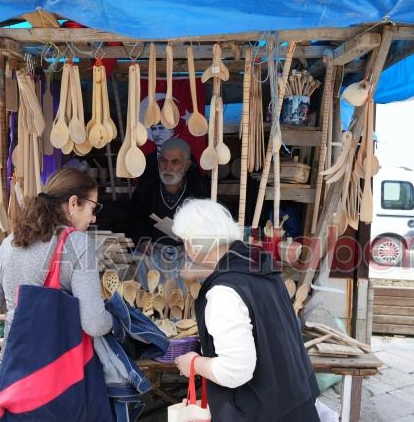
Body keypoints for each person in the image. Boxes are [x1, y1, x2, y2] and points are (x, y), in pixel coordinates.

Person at [171, 199, 321, 422]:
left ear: (192, 244)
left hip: (263, 413)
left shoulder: (223, 293)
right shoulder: (258, 263)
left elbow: (235, 371)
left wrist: (193, 363)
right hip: (294, 402)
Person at [0, 168, 112, 399]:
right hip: (63, 384)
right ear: (73, 203)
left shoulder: (7, 246)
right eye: (93, 207)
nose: (94, 217)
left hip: (14, 380)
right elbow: (95, 324)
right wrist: (115, 320)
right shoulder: (78, 244)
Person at [127, 138, 208, 248]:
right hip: (154, 250)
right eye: (163, 161)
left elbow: (208, 225)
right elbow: (134, 219)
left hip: (188, 252)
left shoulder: (199, 190)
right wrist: (142, 241)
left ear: (187, 165)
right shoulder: (147, 188)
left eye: (175, 162)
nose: (167, 167)